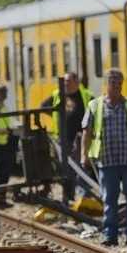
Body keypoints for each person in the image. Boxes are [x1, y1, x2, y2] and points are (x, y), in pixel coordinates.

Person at [80, 68, 127, 246]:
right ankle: (110, 235)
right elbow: (87, 133)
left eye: (119, 83)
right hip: (106, 161)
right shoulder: (95, 106)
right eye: (113, 83)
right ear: (106, 84)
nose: (117, 86)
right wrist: (84, 155)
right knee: (109, 201)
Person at [42, 71, 94, 199]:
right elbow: (43, 106)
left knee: (82, 168)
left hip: (81, 139)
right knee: (66, 171)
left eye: (68, 81)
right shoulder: (57, 95)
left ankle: (84, 198)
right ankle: (68, 197)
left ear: (76, 82)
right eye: (64, 81)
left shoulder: (86, 95)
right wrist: (58, 117)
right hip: (62, 139)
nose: (65, 84)